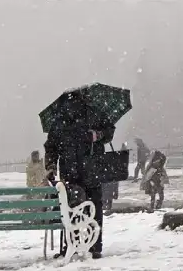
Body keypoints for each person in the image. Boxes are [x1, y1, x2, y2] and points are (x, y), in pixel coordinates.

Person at [44, 91, 115, 260]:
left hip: (72, 172)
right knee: (93, 207)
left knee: (70, 209)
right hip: (91, 170)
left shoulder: (59, 121)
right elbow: (109, 131)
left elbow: (51, 147)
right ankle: (94, 246)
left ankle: (71, 245)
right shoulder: (94, 113)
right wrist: (98, 136)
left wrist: (51, 166)